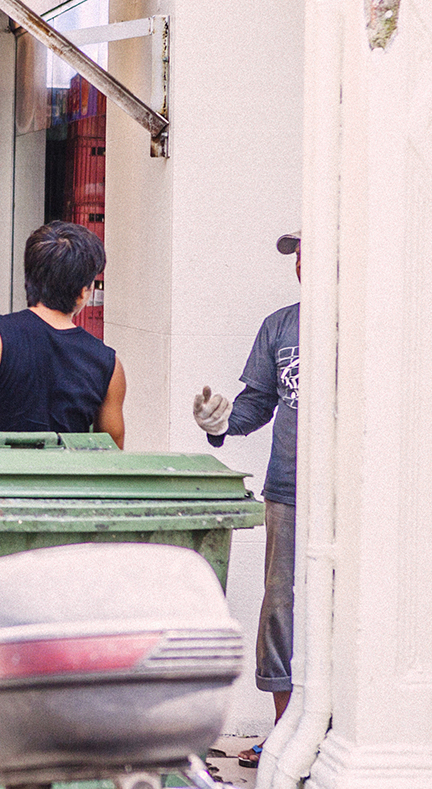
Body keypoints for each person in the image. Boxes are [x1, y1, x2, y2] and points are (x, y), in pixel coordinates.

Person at [192, 230, 300, 767]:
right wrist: (220, 424)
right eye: (298, 255)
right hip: (288, 493)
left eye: (313, 251)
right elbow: (256, 405)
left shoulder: (374, 324)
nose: (302, 263)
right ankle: (284, 732)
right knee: (280, 609)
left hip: (357, 498)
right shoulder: (279, 326)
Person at [0, 220, 126, 445]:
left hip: (4, 468)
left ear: (30, 278)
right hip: (70, 468)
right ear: (82, 293)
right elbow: (111, 447)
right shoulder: (109, 364)